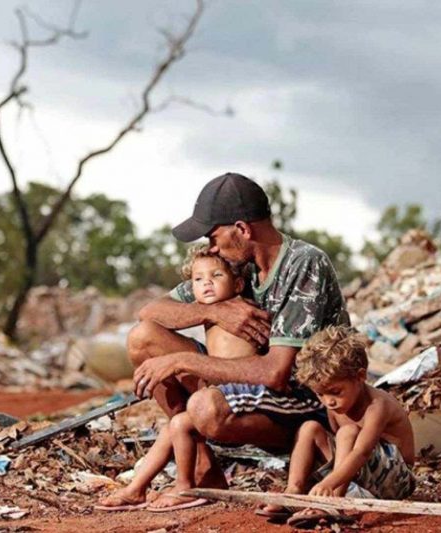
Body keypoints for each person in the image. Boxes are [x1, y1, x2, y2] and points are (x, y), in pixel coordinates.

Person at [127, 172, 350, 511]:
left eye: (214, 237)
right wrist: (213, 313)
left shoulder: (305, 264)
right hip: (246, 390)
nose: (211, 248)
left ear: (243, 230)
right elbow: (151, 311)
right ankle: (205, 470)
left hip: (304, 402)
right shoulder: (233, 266)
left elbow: (277, 373)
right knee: (142, 338)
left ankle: (211, 438)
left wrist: (182, 361)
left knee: (204, 407)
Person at [96, 245, 256, 511]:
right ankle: (138, 487)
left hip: (239, 392)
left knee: (178, 424)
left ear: (238, 284)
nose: (207, 284)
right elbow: (148, 312)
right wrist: (207, 313)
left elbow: (241, 367)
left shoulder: (241, 308)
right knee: (174, 425)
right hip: (216, 384)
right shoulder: (210, 303)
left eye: (216, 276)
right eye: (198, 280)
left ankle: (182, 484)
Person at [266, 326, 415, 528]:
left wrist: (329, 483)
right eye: (320, 394)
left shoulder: (377, 406)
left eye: (335, 392)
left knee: (348, 432)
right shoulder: (334, 405)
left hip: (396, 481)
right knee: (310, 428)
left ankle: (332, 504)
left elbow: (361, 451)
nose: (329, 401)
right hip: (359, 476)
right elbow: (342, 450)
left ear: (360, 376)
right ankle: (294, 494)